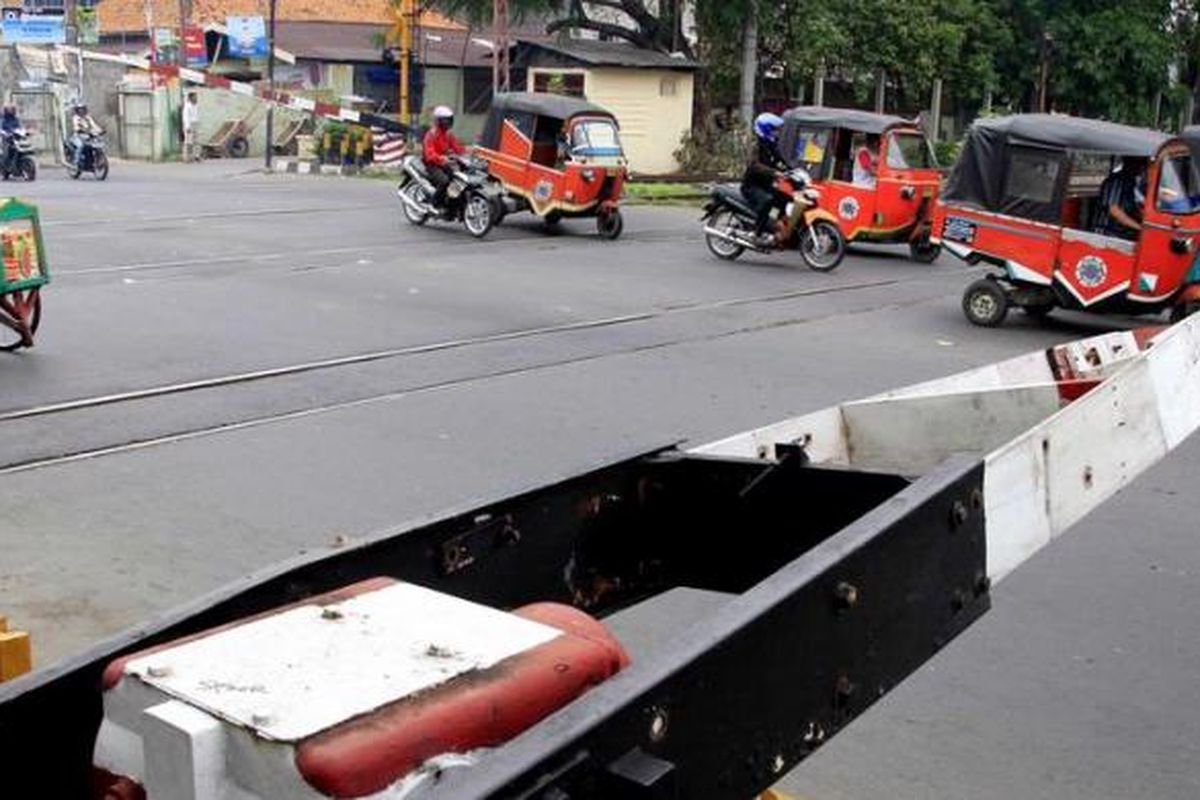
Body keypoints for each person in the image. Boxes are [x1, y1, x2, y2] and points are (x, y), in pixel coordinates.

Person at [740, 112, 790, 244]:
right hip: (751, 186)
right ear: (765, 129)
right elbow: (754, 165)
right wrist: (774, 172)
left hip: (766, 184)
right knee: (768, 200)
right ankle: (756, 233)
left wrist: (793, 171)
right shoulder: (755, 144)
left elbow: (781, 160)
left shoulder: (771, 144)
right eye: (774, 130)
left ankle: (774, 225)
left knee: (785, 198)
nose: (777, 133)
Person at [422, 105, 466, 210]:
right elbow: (430, 155)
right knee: (444, 181)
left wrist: (472, 152)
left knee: (458, 178)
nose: (448, 122)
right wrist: (442, 158)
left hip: (445, 163)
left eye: (449, 120)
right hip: (432, 165)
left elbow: (458, 148)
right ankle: (433, 204)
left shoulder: (448, 135)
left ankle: (452, 202)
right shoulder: (431, 135)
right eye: (445, 120)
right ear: (439, 121)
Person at [1094, 156, 1147, 240]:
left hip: (1123, 233)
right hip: (1108, 233)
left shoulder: (1132, 182)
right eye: (1140, 164)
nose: (1142, 168)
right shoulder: (1116, 181)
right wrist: (1140, 228)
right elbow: (1114, 210)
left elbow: (1135, 206)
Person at [71, 103, 104, 171]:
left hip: (88, 136)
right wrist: (80, 130)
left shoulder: (88, 117)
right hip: (78, 136)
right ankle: (75, 163)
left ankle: (94, 161)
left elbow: (94, 125)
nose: (81, 111)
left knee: (96, 144)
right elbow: (76, 127)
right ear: (77, 110)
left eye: (82, 109)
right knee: (80, 146)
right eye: (80, 110)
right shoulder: (75, 118)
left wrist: (100, 130)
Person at [182, 93, 200, 162]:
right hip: (189, 124)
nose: (196, 98)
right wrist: (187, 127)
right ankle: (187, 157)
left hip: (195, 123)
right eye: (194, 97)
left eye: (196, 97)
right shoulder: (187, 106)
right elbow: (186, 117)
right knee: (188, 142)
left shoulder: (196, 105)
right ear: (190, 98)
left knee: (197, 141)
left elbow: (197, 115)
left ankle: (196, 156)